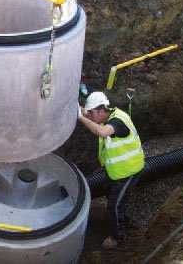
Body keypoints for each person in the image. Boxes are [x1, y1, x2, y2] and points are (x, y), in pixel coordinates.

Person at [77, 91, 145, 250]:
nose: (89, 116)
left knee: (114, 205)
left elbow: (101, 132)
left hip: (129, 171)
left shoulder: (117, 122)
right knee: (116, 199)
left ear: (101, 111)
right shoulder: (105, 115)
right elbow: (87, 114)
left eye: (92, 113)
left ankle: (117, 236)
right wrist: (77, 109)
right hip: (117, 171)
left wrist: (79, 117)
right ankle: (126, 219)